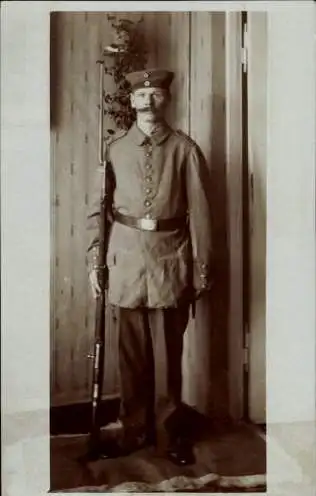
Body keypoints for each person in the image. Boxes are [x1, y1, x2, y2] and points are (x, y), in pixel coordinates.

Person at [87, 68, 213, 466]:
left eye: (155, 94)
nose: (148, 101)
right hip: (124, 261)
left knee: (167, 354)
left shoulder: (185, 150)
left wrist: (201, 269)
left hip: (169, 262)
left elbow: (203, 217)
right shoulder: (113, 149)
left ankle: (169, 433)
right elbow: (99, 209)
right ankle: (133, 431)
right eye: (141, 96)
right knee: (131, 356)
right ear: (132, 102)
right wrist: (96, 260)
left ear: (166, 100)